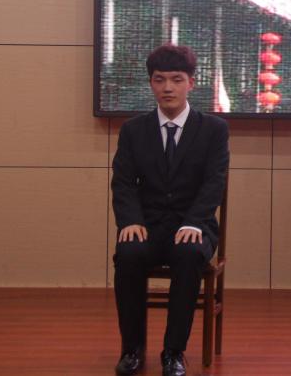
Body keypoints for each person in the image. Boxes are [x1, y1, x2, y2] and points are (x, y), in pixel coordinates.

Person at [111, 44, 230, 376]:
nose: (167, 88)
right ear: (151, 83)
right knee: (128, 253)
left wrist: (194, 222)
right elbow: (122, 182)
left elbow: (214, 183)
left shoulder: (213, 129)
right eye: (159, 79)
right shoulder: (133, 130)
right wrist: (130, 220)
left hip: (194, 225)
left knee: (189, 254)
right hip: (147, 225)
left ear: (191, 82)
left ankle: (174, 353)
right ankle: (132, 350)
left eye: (176, 80)